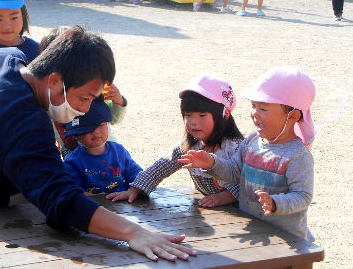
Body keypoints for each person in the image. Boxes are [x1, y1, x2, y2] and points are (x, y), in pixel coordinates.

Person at [0, 25, 197, 262]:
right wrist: (133, 232)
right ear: (56, 81)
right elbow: (59, 200)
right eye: (85, 97)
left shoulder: (3, 58)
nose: (86, 109)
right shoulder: (19, 117)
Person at [178, 67, 316, 241]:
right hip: (252, 229)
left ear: (293, 116)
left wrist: (276, 203)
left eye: (263, 109)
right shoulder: (252, 141)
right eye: (253, 106)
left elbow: (302, 196)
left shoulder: (297, 155)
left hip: (287, 239)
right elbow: (234, 171)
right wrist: (211, 163)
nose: (254, 114)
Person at [107, 74, 243, 207]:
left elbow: (245, 181)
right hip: (211, 213)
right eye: (188, 115)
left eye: (202, 115)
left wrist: (224, 197)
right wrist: (135, 189)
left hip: (242, 213)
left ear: (224, 114)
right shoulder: (190, 145)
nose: (194, 122)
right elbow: (162, 166)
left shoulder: (236, 147)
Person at [40, 27, 128, 158]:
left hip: (104, 152)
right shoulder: (48, 98)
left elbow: (114, 119)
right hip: (73, 156)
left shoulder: (91, 91)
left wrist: (119, 101)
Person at [64, 96, 142, 194]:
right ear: (76, 135)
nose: (96, 131)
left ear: (108, 124)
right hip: (92, 207)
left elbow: (136, 175)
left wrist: (133, 190)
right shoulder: (72, 162)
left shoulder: (119, 151)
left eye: (101, 125)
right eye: (88, 129)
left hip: (122, 203)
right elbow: (73, 191)